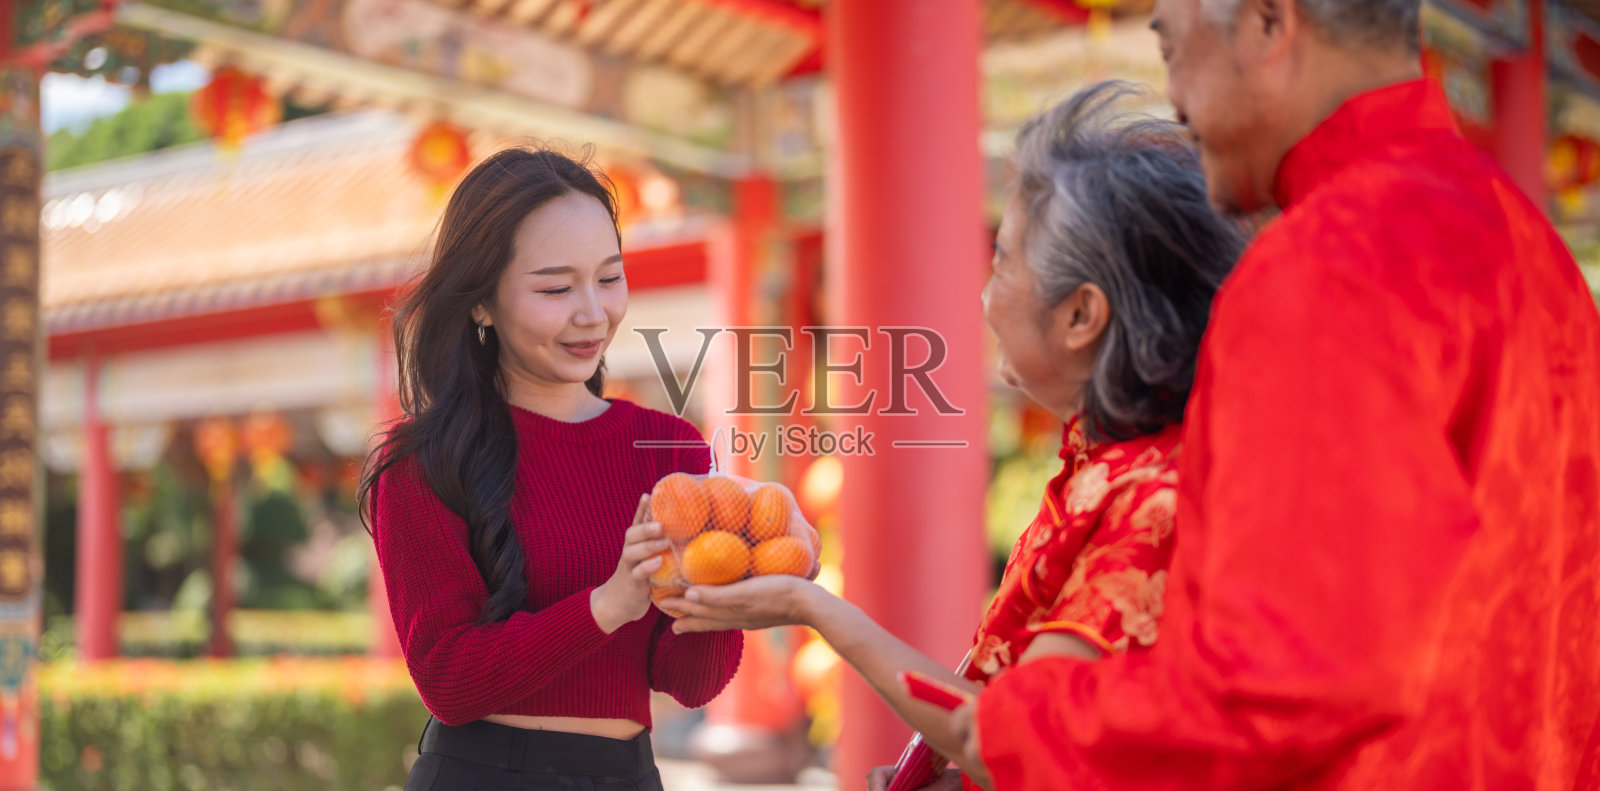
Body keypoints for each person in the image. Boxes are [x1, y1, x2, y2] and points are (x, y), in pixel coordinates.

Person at [953, 1, 1600, 789]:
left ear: (1266, 21)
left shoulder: (1329, 260)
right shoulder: (1536, 251)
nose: (1174, 93)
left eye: (1169, 41)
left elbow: (1289, 677)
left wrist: (1029, 720)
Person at [661, 82, 1244, 790]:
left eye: (1002, 261)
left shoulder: (1153, 498)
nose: (982, 294)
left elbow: (1015, 742)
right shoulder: (1110, 471)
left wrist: (812, 607)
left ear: (1081, 315)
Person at [360, 147, 742, 791]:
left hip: (629, 775)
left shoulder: (671, 448)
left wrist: (734, 587)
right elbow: (448, 681)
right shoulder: (424, 461)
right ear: (482, 302)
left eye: (610, 277)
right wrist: (609, 604)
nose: (593, 313)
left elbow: (688, 681)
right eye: (556, 288)